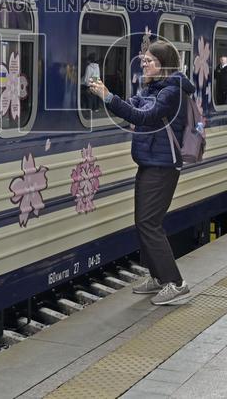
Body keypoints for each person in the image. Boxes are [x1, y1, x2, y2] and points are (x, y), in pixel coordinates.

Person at [88, 42, 195, 306]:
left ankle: (176, 283)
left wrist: (108, 97)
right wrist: (112, 99)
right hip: (149, 162)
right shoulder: (152, 89)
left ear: (163, 65)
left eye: (148, 61)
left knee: (149, 223)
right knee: (144, 221)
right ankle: (158, 277)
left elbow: (142, 116)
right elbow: (131, 108)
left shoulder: (171, 92)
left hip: (163, 166)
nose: (143, 64)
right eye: (143, 60)